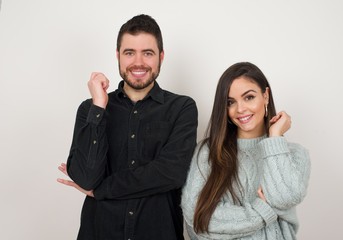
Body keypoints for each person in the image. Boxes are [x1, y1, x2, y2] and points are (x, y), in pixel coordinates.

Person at [57, 14, 198, 240]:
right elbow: (86, 178)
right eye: (129, 52)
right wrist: (98, 108)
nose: (138, 62)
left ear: (161, 57)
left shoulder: (182, 108)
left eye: (148, 53)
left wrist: (102, 190)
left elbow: (170, 174)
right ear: (118, 56)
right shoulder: (90, 109)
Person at [181, 62, 310, 240]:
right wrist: (262, 210)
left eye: (248, 97)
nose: (240, 109)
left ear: (265, 96)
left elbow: (285, 197)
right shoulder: (208, 152)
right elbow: (198, 221)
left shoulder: (294, 154)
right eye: (230, 102)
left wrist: (274, 137)